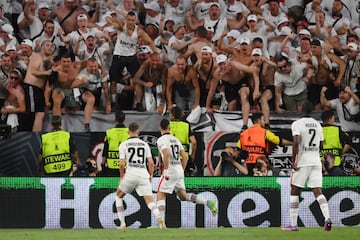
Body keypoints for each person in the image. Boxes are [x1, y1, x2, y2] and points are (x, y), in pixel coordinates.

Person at [156, 118, 217, 227]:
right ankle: (207, 202)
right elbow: (184, 156)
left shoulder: (161, 140)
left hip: (170, 170)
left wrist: (166, 169)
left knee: (160, 194)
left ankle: (161, 224)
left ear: (159, 128)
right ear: (169, 128)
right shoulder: (176, 139)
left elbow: (165, 154)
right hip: (179, 169)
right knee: (183, 196)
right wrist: (181, 170)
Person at [281, 101, 332, 232]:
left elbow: (296, 142)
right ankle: (327, 218)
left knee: (294, 189)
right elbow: (321, 145)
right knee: (318, 191)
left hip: (303, 161)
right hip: (315, 161)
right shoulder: (318, 125)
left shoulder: (297, 124)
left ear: (301, 109)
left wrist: (294, 160)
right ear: (311, 111)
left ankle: (293, 225)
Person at [115, 122, 165, 230]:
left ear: (128, 132)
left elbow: (122, 164)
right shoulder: (144, 144)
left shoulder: (123, 144)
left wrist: (122, 177)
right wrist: (150, 176)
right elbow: (151, 163)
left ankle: (123, 224)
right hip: (143, 174)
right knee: (150, 202)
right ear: (138, 132)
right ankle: (159, 218)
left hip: (131, 174)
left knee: (118, 196)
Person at [23, 40, 54, 131]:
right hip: (31, 87)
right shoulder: (37, 56)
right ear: (42, 47)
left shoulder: (47, 60)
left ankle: (35, 134)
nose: (49, 47)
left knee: (40, 113)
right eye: (47, 45)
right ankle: (30, 134)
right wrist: (47, 72)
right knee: (33, 113)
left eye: (51, 46)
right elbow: (33, 71)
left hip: (39, 90)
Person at [170, 106, 197, 176]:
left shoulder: (168, 126)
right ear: (181, 114)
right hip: (184, 157)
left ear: (172, 115)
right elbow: (194, 142)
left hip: (170, 157)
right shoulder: (186, 125)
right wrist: (192, 156)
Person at [101, 110, 129, 176]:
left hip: (111, 167)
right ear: (124, 119)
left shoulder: (109, 132)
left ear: (115, 119)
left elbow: (105, 150)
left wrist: (103, 163)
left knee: (112, 185)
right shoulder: (129, 132)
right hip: (125, 166)